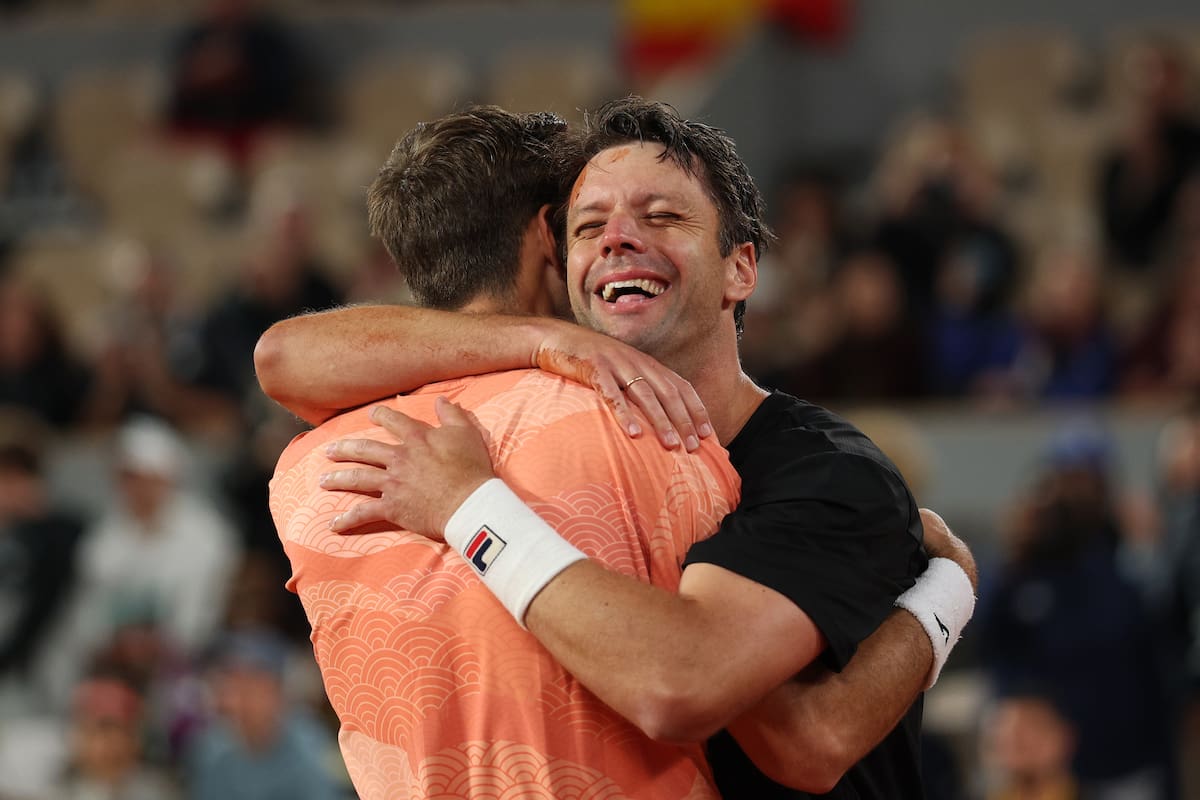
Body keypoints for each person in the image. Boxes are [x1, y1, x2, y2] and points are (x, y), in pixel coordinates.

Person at [258, 100, 977, 797]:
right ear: (556, 256)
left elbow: (795, 737)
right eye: (589, 224)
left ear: (741, 269)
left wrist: (468, 508)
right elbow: (283, 354)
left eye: (662, 215)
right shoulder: (571, 433)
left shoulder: (828, 471)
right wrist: (542, 338)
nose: (618, 237)